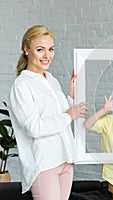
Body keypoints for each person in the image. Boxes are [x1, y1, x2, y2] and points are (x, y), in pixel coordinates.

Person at [9, 25, 88, 200]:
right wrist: (69, 115)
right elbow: (34, 128)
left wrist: (70, 96)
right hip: (45, 164)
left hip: (65, 159)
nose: (47, 56)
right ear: (26, 49)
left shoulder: (50, 79)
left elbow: (58, 114)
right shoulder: (22, 84)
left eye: (51, 49)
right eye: (40, 50)